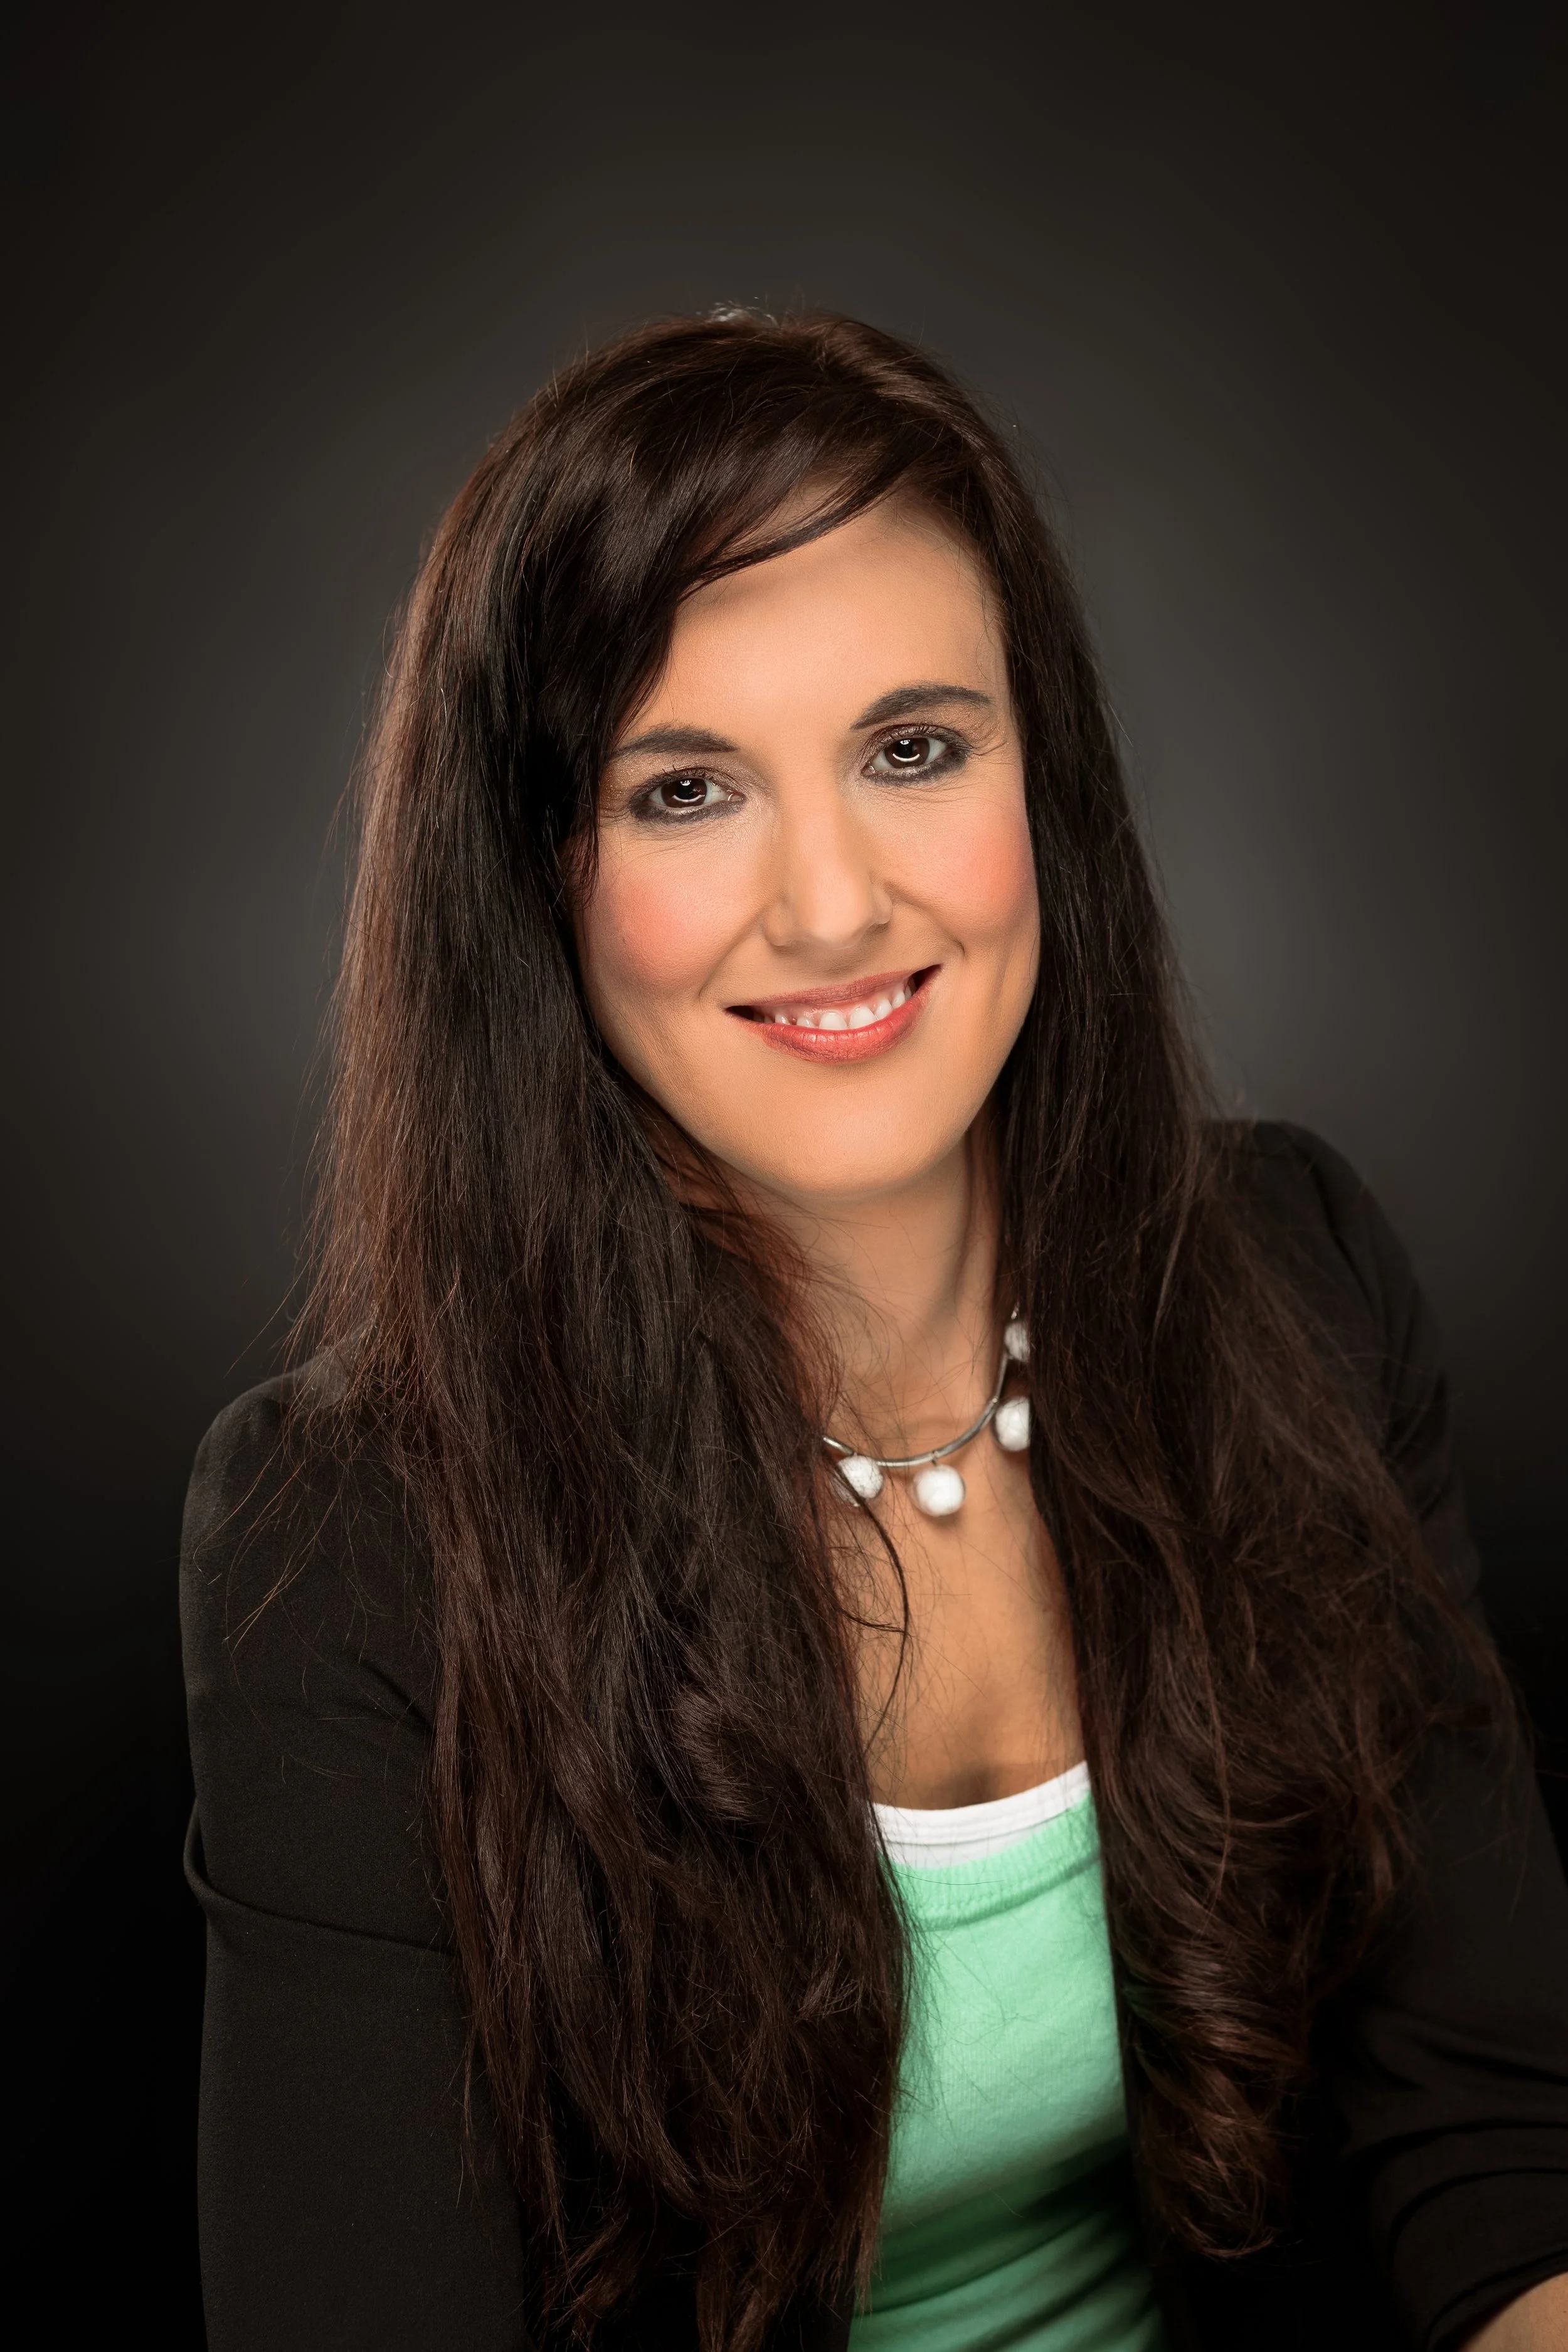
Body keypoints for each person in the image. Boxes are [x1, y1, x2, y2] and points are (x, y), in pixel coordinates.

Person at [181, 310, 1568, 2352]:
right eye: (684, 789)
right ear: (536, 877)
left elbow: (1503, 2156)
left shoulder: (1294, 1277)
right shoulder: (344, 1543)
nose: (830, 907)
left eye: (913, 748)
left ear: (1044, 778)